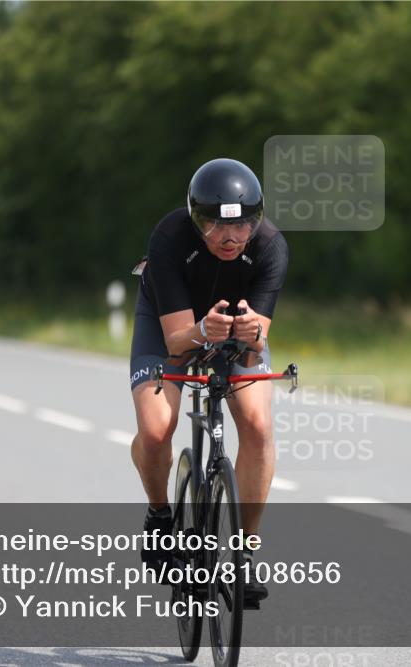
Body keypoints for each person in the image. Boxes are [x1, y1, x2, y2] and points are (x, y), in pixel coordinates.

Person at [129, 158, 289, 603]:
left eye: (242, 226)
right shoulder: (169, 238)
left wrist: (252, 336)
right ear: (195, 219)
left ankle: (245, 553)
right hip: (171, 323)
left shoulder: (272, 246)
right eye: (214, 224)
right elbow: (177, 343)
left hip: (234, 329)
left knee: (257, 427)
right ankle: (160, 517)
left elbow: (256, 347)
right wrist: (202, 332)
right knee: (157, 428)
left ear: (257, 221)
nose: (230, 237)